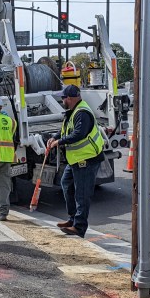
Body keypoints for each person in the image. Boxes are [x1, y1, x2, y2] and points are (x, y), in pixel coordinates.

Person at [46, 84, 106, 238]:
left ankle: (79, 227)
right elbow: (66, 130)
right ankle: (73, 219)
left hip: (87, 159)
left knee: (82, 194)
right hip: (76, 160)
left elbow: (79, 134)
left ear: (70, 98)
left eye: (63, 98)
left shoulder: (82, 113)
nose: (62, 100)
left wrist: (59, 143)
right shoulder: (73, 111)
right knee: (66, 184)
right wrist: (55, 136)